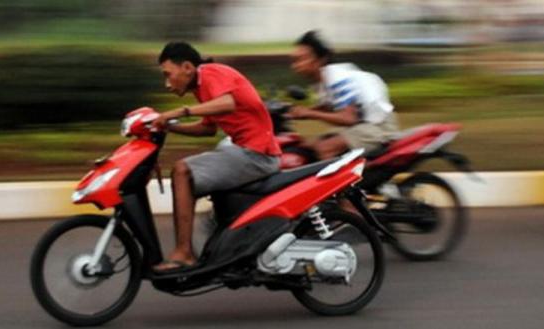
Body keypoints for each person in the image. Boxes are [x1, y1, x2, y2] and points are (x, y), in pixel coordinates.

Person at [152, 42, 281, 272]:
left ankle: (184, 253)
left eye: (168, 75)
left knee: (183, 171)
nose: (167, 84)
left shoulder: (212, 73)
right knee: (196, 166)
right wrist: (169, 127)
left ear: (188, 67)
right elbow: (207, 129)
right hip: (246, 151)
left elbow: (227, 103)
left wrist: (180, 112)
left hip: (257, 154)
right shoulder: (202, 88)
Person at [286, 30, 398, 159]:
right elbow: (327, 108)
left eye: (300, 60)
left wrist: (309, 113)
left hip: (378, 126)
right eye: (294, 61)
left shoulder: (337, 78)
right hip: (361, 125)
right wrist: (291, 112)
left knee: (324, 148)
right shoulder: (321, 81)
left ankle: (356, 178)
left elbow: (348, 118)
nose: (295, 65)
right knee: (308, 145)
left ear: (320, 60)